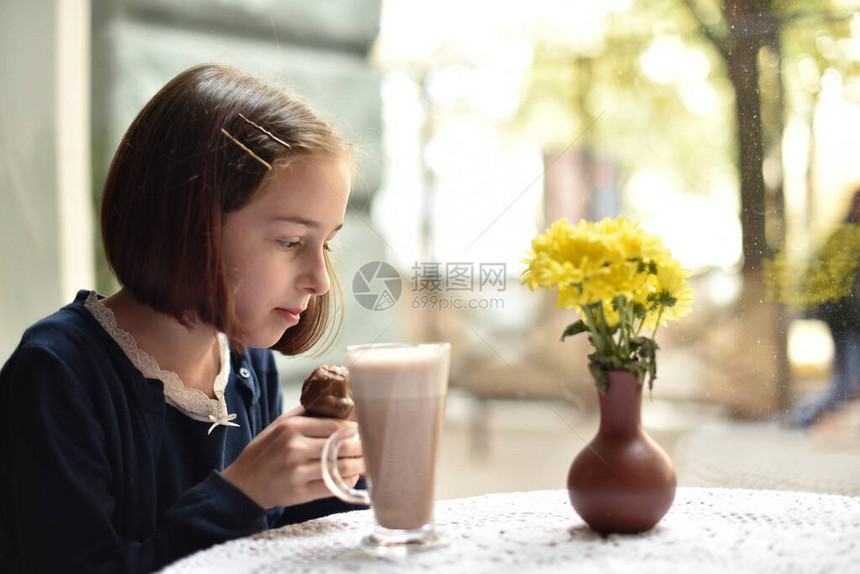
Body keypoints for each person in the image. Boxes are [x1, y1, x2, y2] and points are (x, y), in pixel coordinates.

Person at [0, 64, 367, 573]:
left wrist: (340, 472)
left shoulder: (245, 361)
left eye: (325, 244)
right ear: (189, 222)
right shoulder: (57, 372)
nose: (321, 280)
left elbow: (272, 542)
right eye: (289, 241)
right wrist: (241, 492)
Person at [789, 189, 860, 428]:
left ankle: (804, 416)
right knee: (845, 383)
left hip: (848, 321)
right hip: (846, 323)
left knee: (847, 381)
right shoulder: (845, 237)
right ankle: (803, 417)